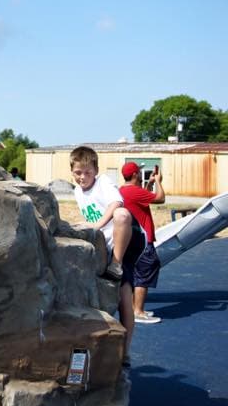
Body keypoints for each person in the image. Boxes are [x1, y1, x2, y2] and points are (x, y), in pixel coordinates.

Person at [69, 145, 143, 366]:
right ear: (71, 172)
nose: (83, 177)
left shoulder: (103, 182)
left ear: (96, 171)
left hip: (128, 240)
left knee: (124, 295)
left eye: (88, 172)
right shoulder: (77, 191)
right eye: (78, 173)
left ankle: (125, 351)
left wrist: (98, 225)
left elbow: (117, 204)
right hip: (107, 244)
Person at [120, 161, 164, 324]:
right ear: (134, 174)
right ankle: (138, 311)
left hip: (131, 239)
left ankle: (135, 308)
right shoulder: (135, 191)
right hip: (143, 239)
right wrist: (158, 181)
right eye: (138, 172)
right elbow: (160, 198)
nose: (140, 173)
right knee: (144, 272)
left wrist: (150, 183)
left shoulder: (123, 191)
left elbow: (142, 198)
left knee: (136, 274)